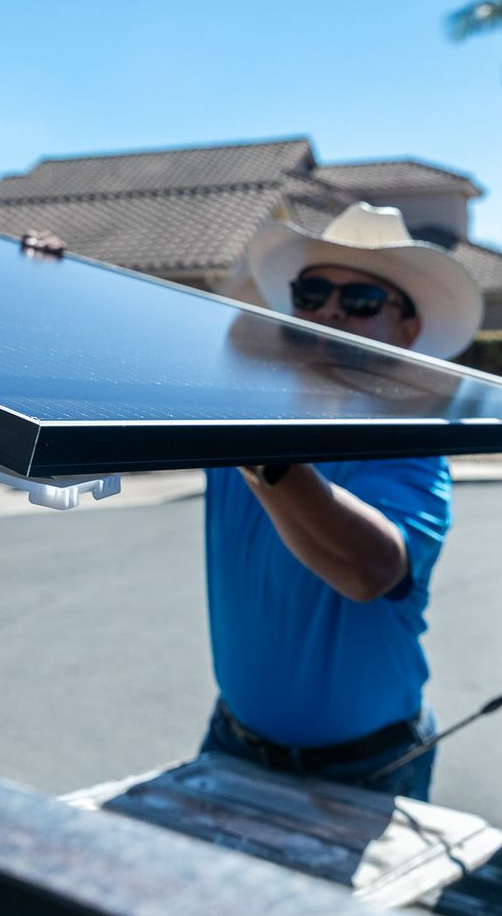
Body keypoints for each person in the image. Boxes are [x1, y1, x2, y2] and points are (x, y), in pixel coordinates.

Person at [202, 203, 484, 799]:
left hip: (368, 769)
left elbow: (371, 569)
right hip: (231, 742)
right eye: (312, 292)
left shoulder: (408, 446)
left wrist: (261, 456)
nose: (329, 310)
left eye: (360, 301)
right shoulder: (231, 416)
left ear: (406, 330)